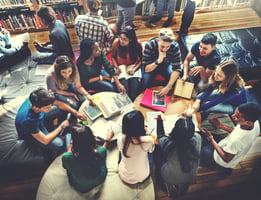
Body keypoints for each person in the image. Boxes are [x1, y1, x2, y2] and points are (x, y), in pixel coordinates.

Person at [15, 88, 86, 153]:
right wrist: (62, 126)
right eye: (47, 107)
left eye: (50, 105)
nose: (51, 108)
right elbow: (45, 140)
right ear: (36, 108)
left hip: (39, 120)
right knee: (59, 144)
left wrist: (75, 113)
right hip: (31, 134)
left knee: (61, 108)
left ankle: (53, 130)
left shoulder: (38, 98)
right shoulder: (29, 121)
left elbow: (58, 103)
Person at [154, 105, 201, 198]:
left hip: (170, 176)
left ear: (174, 131)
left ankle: (163, 184)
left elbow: (160, 136)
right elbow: (187, 132)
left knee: (157, 153)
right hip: (191, 175)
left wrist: (159, 120)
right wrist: (188, 117)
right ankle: (183, 189)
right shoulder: (198, 139)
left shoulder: (169, 144)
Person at [199, 103, 261, 171]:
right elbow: (238, 131)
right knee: (201, 136)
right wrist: (221, 126)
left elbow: (226, 159)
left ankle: (219, 167)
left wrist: (211, 138)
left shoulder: (236, 141)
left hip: (219, 159)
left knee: (194, 146)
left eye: (237, 117)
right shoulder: (255, 124)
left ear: (248, 123)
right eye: (235, 112)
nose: (232, 116)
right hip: (227, 145)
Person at [62, 123, 114, 194]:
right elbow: (103, 148)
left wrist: (71, 143)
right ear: (92, 139)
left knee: (67, 136)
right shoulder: (101, 151)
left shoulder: (67, 157)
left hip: (82, 187)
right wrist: (108, 139)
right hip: (100, 179)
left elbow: (66, 163)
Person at [116, 110, 155, 185]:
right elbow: (151, 150)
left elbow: (120, 148)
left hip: (124, 176)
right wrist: (146, 134)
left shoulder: (120, 138)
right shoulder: (148, 141)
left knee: (122, 152)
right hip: (143, 176)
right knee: (151, 152)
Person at [141, 28, 182, 96]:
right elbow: (146, 68)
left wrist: (168, 86)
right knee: (145, 81)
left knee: (176, 81)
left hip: (166, 66)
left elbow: (177, 68)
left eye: (167, 46)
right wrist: (158, 61)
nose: (164, 49)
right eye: (162, 46)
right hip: (152, 66)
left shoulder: (175, 46)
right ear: (158, 40)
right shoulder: (150, 45)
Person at [111, 26, 142, 101]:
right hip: (121, 68)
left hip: (132, 67)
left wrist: (134, 69)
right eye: (121, 38)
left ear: (131, 40)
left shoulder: (137, 45)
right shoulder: (116, 42)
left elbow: (141, 60)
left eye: (125, 39)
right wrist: (116, 67)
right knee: (125, 90)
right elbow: (113, 57)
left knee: (134, 88)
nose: (122, 41)